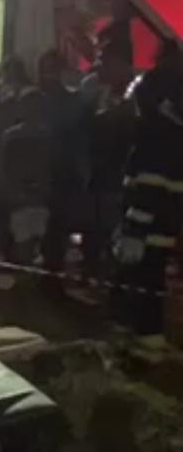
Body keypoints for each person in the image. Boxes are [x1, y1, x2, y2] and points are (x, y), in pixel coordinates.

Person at [115, 40, 183, 337]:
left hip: (148, 221)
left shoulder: (154, 138)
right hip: (165, 216)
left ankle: (144, 337)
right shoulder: (171, 132)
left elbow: (150, 183)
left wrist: (135, 230)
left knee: (144, 279)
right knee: (151, 277)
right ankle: (147, 337)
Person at [84, 43, 135, 280]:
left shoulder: (135, 92)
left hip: (122, 175)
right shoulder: (101, 93)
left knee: (116, 230)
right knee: (97, 229)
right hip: (99, 173)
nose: (100, 67)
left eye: (106, 61)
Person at [37, 48, 86, 276]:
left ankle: (52, 272)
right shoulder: (35, 100)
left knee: (58, 226)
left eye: (51, 70)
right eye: (44, 71)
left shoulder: (71, 101)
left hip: (62, 171)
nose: (47, 76)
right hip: (38, 172)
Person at [0, 88, 53, 265]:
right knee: (25, 243)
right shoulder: (12, 136)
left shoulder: (47, 136)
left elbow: (51, 167)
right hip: (23, 198)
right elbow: (3, 167)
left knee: (34, 243)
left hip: (37, 198)